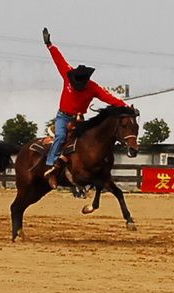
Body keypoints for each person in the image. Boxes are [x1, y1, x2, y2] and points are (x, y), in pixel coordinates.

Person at [41, 28, 128, 189]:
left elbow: (108, 97)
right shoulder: (67, 74)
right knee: (60, 137)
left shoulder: (92, 88)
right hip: (63, 116)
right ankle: (50, 167)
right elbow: (59, 60)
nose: (78, 86)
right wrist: (49, 45)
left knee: (89, 141)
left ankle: (86, 171)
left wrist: (125, 106)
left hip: (78, 118)